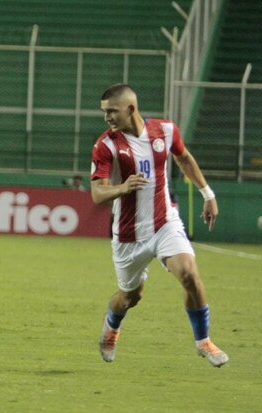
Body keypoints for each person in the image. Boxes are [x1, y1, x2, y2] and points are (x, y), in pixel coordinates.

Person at [90, 83, 228, 367]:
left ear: (131, 109)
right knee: (130, 297)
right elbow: (97, 193)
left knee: (189, 274)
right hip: (129, 235)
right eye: (105, 113)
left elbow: (184, 158)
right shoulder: (106, 146)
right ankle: (111, 328)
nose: (107, 118)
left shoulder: (165, 131)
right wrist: (122, 188)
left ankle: (203, 341)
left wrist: (208, 194)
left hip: (165, 222)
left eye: (112, 112)